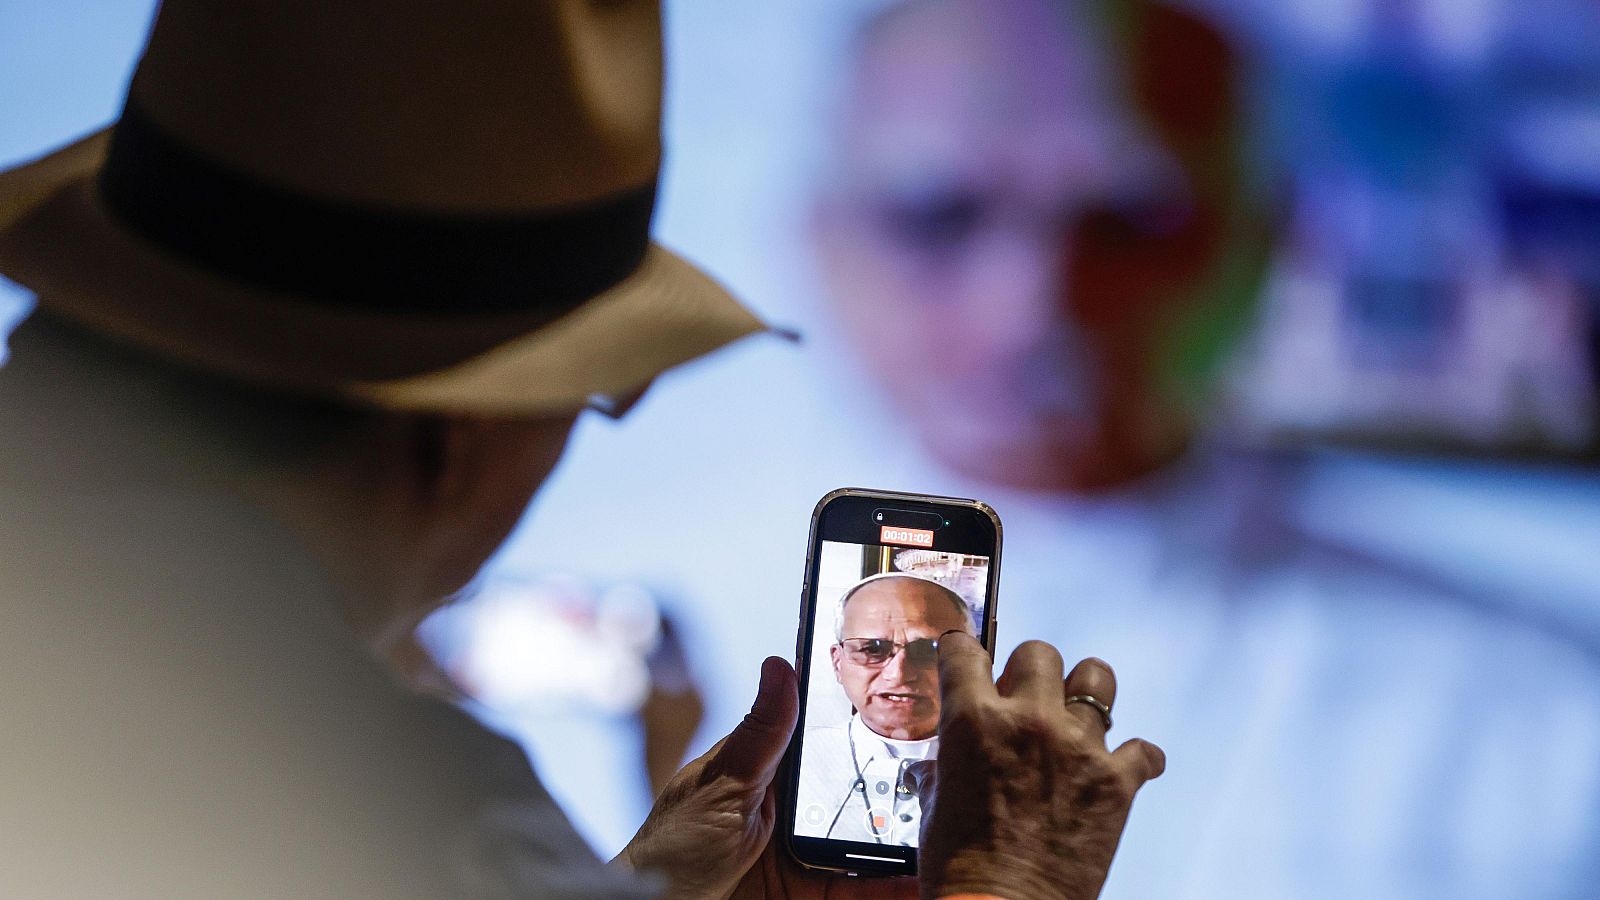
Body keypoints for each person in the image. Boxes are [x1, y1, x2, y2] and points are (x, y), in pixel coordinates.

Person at [0, 1, 1165, 898]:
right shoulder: (376, 801)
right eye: (593, 395)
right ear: (458, 436)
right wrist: (1002, 883)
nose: (1030, 300)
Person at [809, 0, 1600, 897]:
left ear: (1264, 241)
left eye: (1130, 218)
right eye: (936, 213)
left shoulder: (1538, 721)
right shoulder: (659, 624)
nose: (1030, 302)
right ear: (818, 234)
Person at [794, 573, 970, 844]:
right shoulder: (794, 761)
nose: (898, 675)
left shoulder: (1011, 774)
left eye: (927, 649)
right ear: (838, 663)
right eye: (873, 649)